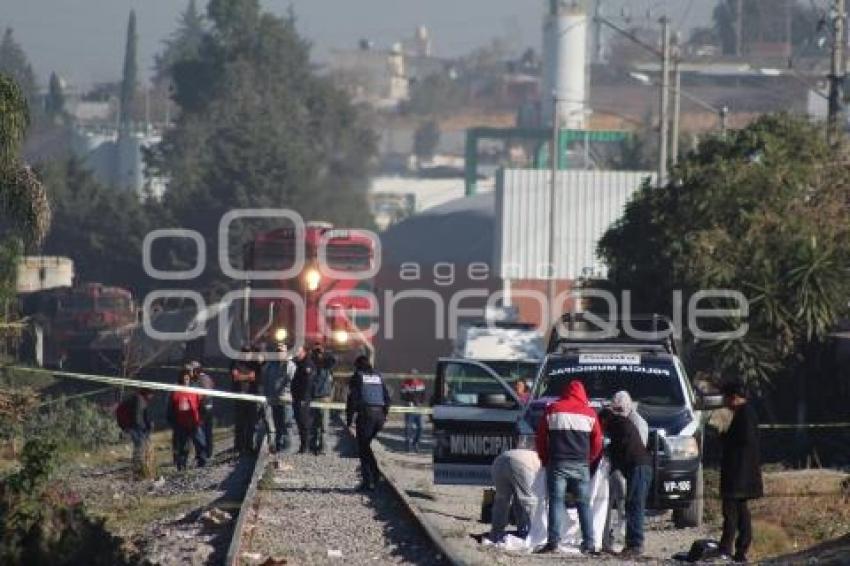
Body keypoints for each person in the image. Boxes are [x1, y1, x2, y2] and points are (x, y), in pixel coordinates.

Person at [535, 380, 603, 555]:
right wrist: (589, 459)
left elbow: (541, 437)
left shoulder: (553, 409)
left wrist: (544, 458)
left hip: (557, 463)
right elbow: (597, 442)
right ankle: (589, 543)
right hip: (581, 465)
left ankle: (553, 543)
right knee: (584, 504)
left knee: (556, 502)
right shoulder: (590, 413)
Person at [598, 407, 652, 558]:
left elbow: (619, 448)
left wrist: (609, 461)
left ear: (603, 420)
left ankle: (635, 545)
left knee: (635, 504)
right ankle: (633, 543)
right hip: (642, 465)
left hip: (639, 466)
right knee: (633, 504)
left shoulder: (616, 425)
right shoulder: (622, 423)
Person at [718, 379, 763, 563]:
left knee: (731, 511)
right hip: (742, 475)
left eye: (727, 398)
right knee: (741, 511)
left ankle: (727, 548)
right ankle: (740, 548)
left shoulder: (745, 416)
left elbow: (743, 441)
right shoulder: (746, 414)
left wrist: (725, 439)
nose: (725, 403)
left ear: (735, 398)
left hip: (738, 474)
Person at [346, 355, 390, 491]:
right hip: (379, 415)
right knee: (366, 446)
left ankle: (368, 480)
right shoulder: (378, 376)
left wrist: (349, 417)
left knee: (363, 448)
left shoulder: (357, 377)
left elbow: (352, 398)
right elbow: (387, 397)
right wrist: (384, 414)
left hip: (366, 415)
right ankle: (375, 475)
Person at [489, 448, 541, 543]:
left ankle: (496, 533)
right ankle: (532, 534)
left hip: (499, 461)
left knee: (501, 500)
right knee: (529, 501)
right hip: (521, 464)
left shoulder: (533, 454)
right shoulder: (545, 462)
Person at [167, 371, 206, 470]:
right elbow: (170, 408)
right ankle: (181, 465)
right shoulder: (175, 392)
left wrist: (202, 417)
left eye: (187, 379)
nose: (186, 381)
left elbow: (201, 405)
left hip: (195, 422)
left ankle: (202, 462)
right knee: (183, 446)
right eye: (184, 379)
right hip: (181, 424)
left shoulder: (195, 391)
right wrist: (172, 422)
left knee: (200, 443)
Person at [263, 342, 295, 452]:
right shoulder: (271, 365)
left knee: (287, 424)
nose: (279, 354)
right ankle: (277, 446)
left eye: (282, 352)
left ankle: (287, 449)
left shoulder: (291, 365)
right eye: (278, 351)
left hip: (286, 399)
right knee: (276, 424)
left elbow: (292, 379)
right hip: (273, 399)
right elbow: (265, 378)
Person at [118, 388, 154, 477]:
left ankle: (139, 466)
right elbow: (137, 417)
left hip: (132, 426)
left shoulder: (140, 399)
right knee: (140, 446)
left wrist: (147, 425)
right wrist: (144, 428)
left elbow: (143, 416)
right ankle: (138, 467)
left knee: (139, 446)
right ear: (148, 393)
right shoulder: (140, 400)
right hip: (134, 427)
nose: (152, 396)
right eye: (151, 394)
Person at [230, 345, 259, 455]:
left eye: (249, 352)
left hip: (252, 397)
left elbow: (255, 377)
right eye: (245, 352)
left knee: (251, 423)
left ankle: (249, 446)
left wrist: (243, 376)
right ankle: (239, 446)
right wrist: (248, 377)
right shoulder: (236, 363)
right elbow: (236, 377)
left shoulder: (254, 364)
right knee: (240, 423)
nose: (247, 354)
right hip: (239, 396)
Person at [309, 344, 336, 455]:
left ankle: (323, 448)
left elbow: (332, 360)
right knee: (313, 424)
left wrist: (325, 352)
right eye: (316, 352)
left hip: (324, 398)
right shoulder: (311, 366)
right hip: (313, 398)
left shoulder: (326, 366)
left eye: (319, 352)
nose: (318, 354)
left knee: (324, 425)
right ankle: (313, 446)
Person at [290, 345, 316, 454]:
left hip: (302, 398)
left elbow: (308, 383)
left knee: (304, 423)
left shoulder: (307, 364)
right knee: (300, 422)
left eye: (298, 352)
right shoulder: (299, 363)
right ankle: (303, 446)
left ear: (304, 352)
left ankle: (305, 447)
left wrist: (303, 398)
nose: (296, 354)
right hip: (298, 397)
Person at [190, 361, 216, 461]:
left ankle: (205, 453)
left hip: (203, 409)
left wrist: (199, 400)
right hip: (207, 407)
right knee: (206, 431)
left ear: (196, 370)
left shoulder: (202, 379)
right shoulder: (206, 378)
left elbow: (206, 394)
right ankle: (206, 452)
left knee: (202, 431)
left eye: (192, 371)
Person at [400, 373, 426, 452]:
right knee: (408, 428)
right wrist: (409, 401)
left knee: (421, 427)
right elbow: (402, 396)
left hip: (418, 408)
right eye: (411, 375)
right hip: (409, 408)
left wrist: (420, 402)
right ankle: (408, 445)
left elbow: (423, 395)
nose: (413, 376)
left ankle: (415, 443)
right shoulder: (405, 384)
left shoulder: (420, 384)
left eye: (415, 375)